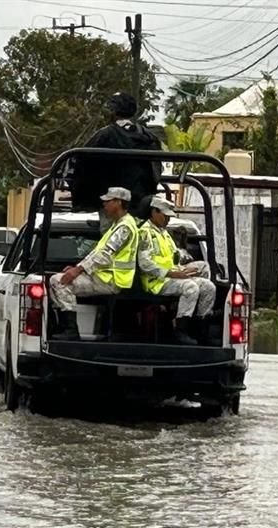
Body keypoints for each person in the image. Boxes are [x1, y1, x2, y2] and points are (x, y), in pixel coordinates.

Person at [49, 187, 140, 340]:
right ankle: (68, 328)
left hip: (112, 280)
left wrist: (78, 270)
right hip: (104, 276)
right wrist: (78, 268)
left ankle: (71, 330)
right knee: (59, 279)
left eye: (108, 201)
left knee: (59, 282)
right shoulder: (117, 224)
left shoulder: (125, 227)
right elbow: (97, 252)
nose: (104, 204)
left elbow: (104, 255)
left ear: (118, 202)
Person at [137, 196, 216, 345]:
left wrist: (185, 269)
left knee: (208, 286)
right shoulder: (145, 233)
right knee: (190, 287)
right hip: (157, 281)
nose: (168, 220)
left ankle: (200, 329)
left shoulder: (164, 233)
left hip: (172, 275)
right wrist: (172, 273)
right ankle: (180, 331)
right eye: (165, 216)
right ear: (154, 212)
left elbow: (174, 258)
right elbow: (144, 263)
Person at [69, 92, 162, 220]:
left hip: (112, 206)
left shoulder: (104, 136)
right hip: (141, 207)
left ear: (113, 112)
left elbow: (82, 164)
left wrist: (84, 202)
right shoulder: (149, 138)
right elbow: (156, 171)